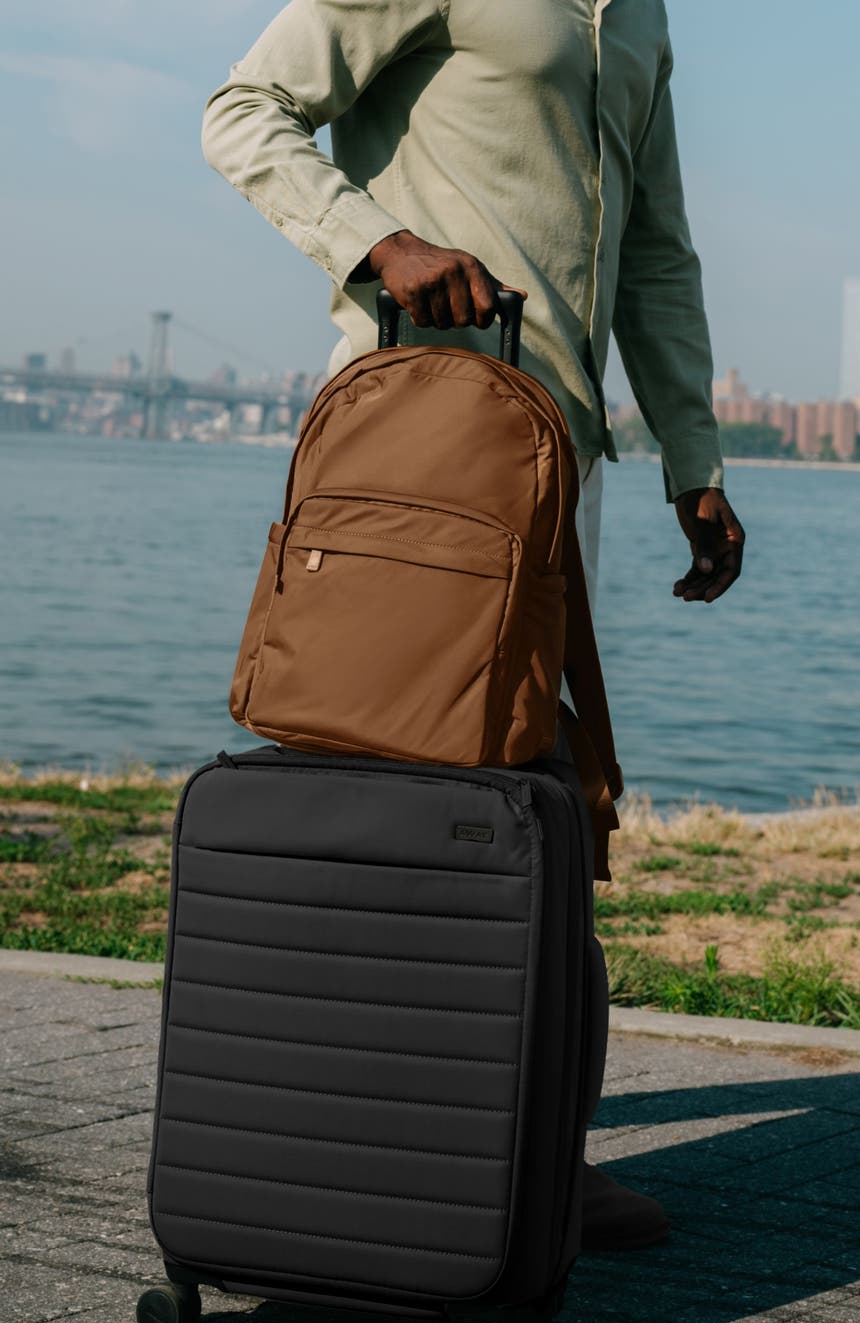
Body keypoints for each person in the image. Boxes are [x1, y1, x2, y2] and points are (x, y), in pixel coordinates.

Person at [202, 0, 746, 1250]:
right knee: (395, 782)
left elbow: (656, 248)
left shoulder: (642, 16)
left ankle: (528, 1144)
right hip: (420, 432)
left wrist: (691, 457)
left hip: (558, 462)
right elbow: (242, 111)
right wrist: (375, 240)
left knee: (540, 795)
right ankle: (349, 1142)